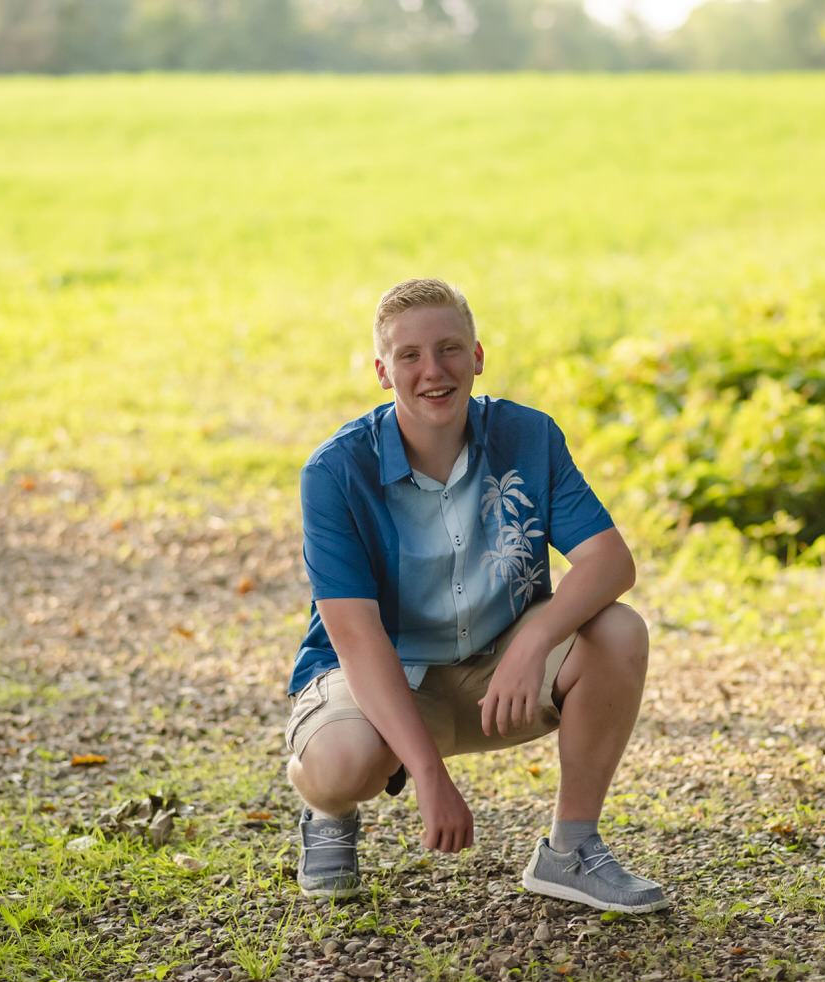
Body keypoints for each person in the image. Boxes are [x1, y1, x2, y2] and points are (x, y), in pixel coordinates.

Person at [284, 278, 665, 914]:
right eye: (409, 356)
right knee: (343, 763)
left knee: (619, 631)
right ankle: (326, 813)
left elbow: (609, 561)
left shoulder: (529, 437)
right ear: (383, 372)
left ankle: (570, 851)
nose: (433, 371)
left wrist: (537, 639)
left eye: (450, 349)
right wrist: (429, 775)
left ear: (479, 356)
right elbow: (356, 638)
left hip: (499, 677)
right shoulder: (334, 472)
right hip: (387, 681)